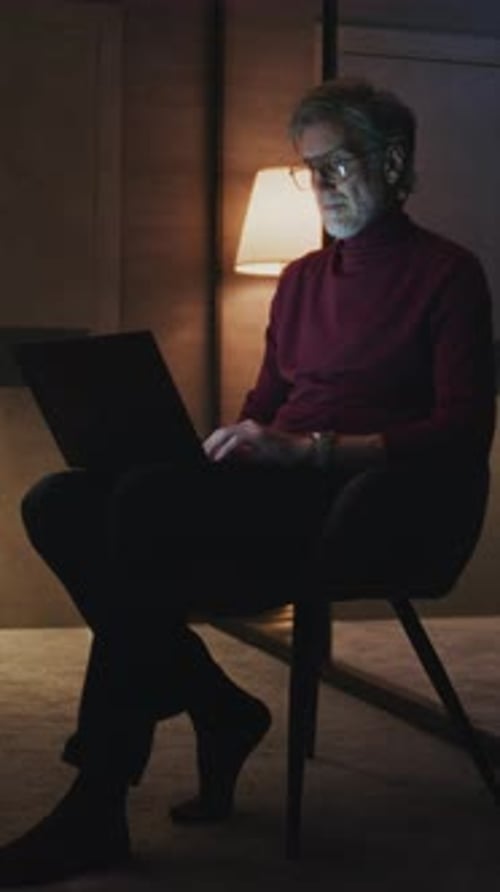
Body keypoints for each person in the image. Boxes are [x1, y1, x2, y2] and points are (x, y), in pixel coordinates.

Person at [0, 77, 496, 886]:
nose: (323, 186)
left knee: (141, 506)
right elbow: (267, 401)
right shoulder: (299, 280)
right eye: (311, 170)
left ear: (394, 162)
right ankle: (221, 706)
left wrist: (316, 450)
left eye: (340, 165)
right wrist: (225, 442)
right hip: (278, 488)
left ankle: (99, 803)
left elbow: (461, 430)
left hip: (360, 505)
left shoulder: (449, 274)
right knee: (59, 500)